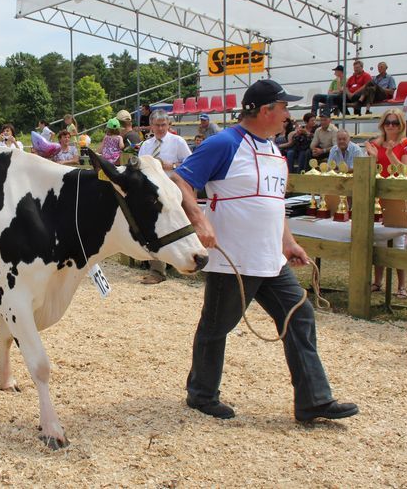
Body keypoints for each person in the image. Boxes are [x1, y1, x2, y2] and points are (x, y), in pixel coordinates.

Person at [171, 79, 358, 422]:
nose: (289, 114)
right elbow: (181, 180)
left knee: (299, 317)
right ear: (266, 110)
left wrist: (287, 242)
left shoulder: (275, 151)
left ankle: (313, 400)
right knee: (217, 326)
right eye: (284, 107)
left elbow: (275, 204)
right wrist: (199, 220)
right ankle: (201, 393)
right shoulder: (224, 143)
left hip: (271, 259)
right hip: (234, 258)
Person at [364, 109, 407, 299]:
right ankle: (377, 282)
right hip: (378, 195)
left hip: (397, 195)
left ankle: (402, 285)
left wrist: (389, 153)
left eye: (395, 122)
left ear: (401, 124)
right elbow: (372, 169)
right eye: (388, 122)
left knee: (399, 242)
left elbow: (405, 171)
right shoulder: (375, 143)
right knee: (378, 240)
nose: (391, 125)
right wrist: (372, 156)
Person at [137, 109, 191, 284]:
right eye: (157, 125)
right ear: (151, 126)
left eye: (163, 125)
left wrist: (172, 165)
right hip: (152, 194)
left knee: (179, 229)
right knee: (155, 230)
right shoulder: (146, 145)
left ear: (169, 125)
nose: (160, 128)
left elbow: (190, 163)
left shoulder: (178, 142)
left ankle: (182, 265)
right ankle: (157, 270)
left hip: (174, 191)